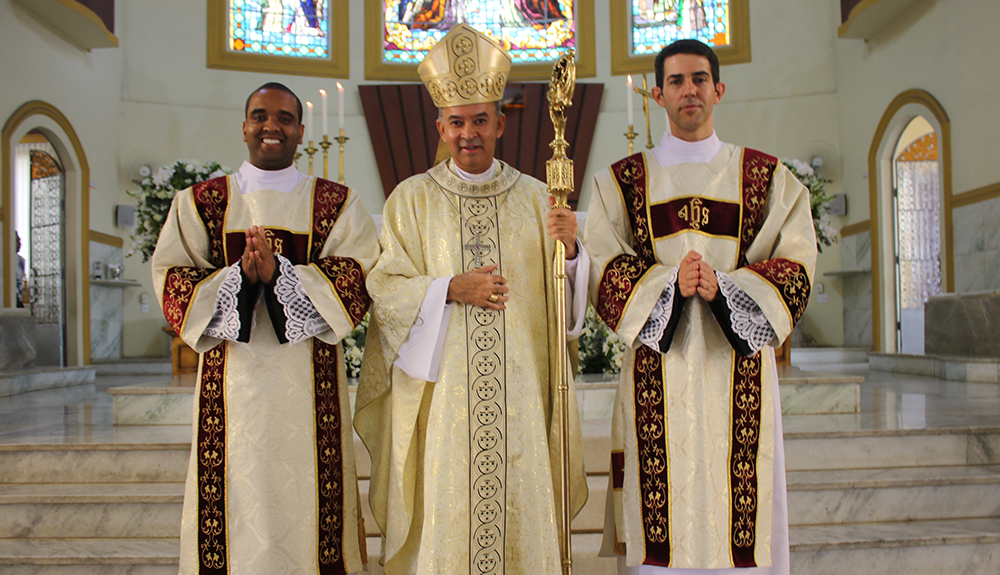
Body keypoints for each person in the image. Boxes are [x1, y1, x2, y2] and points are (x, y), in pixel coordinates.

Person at [355, 24, 590, 575]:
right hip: (445, 404)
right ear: (441, 126)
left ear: (500, 123)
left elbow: (570, 309)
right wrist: (448, 289)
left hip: (523, 396)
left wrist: (572, 250)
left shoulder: (538, 198)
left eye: (480, 120)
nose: (468, 133)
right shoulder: (410, 200)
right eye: (456, 122)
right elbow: (385, 289)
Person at [584, 40, 817, 574]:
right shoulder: (622, 183)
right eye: (676, 81)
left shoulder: (765, 178)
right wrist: (667, 283)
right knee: (660, 515)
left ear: (719, 89)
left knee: (740, 519)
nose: (688, 90)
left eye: (698, 79)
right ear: (658, 94)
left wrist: (728, 288)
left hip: (738, 372)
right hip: (657, 369)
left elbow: (798, 262)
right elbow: (601, 264)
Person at [152, 82, 378, 575]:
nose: (270, 126)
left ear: (300, 130)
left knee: (309, 499)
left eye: (282, 118)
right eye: (259, 115)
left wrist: (282, 277)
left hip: (311, 387)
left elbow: (360, 274)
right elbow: (172, 279)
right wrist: (238, 279)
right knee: (238, 491)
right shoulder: (201, 204)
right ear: (244, 126)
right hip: (230, 390)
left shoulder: (335, 203)